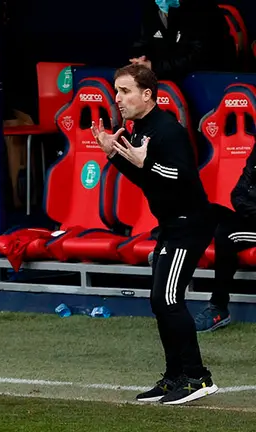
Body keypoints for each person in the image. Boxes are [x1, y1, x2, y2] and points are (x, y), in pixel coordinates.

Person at [92, 64, 218, 405]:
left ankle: (197, 378)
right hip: (171, 225)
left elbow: (183, 175)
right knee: (159, 302)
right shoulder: (139, 130)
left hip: (189, 224)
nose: (118, 99)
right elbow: (146, 177)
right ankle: (175, 376)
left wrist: (145, 163)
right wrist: (113, 154)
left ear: (147, 94)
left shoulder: (167, 129)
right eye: (116, 92)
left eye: (125, 91)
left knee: (168, 300)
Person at [192, 147, 256, 332]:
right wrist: (248, 210)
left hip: (250, 217)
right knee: (206, 212)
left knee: (228, 235)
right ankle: (170, 254)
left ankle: (218, 307)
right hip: (250, 216)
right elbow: (238, 193)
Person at [129, 0, 237, 82]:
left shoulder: (204, 10)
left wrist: (155, 67)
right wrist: (141, 60)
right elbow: (142, 43)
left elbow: (199, 57)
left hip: (207, 81)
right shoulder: (151, 10)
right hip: (168, 78)